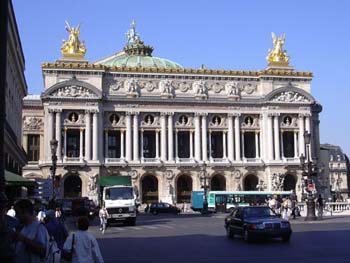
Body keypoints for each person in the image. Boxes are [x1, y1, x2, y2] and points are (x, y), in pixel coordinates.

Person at [13, 199, 49, 263]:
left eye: (18, 213)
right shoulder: (25, 227)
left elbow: (42, 251)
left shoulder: (39, 228)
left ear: (26, 212)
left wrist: (23, 239)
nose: (16, 216)